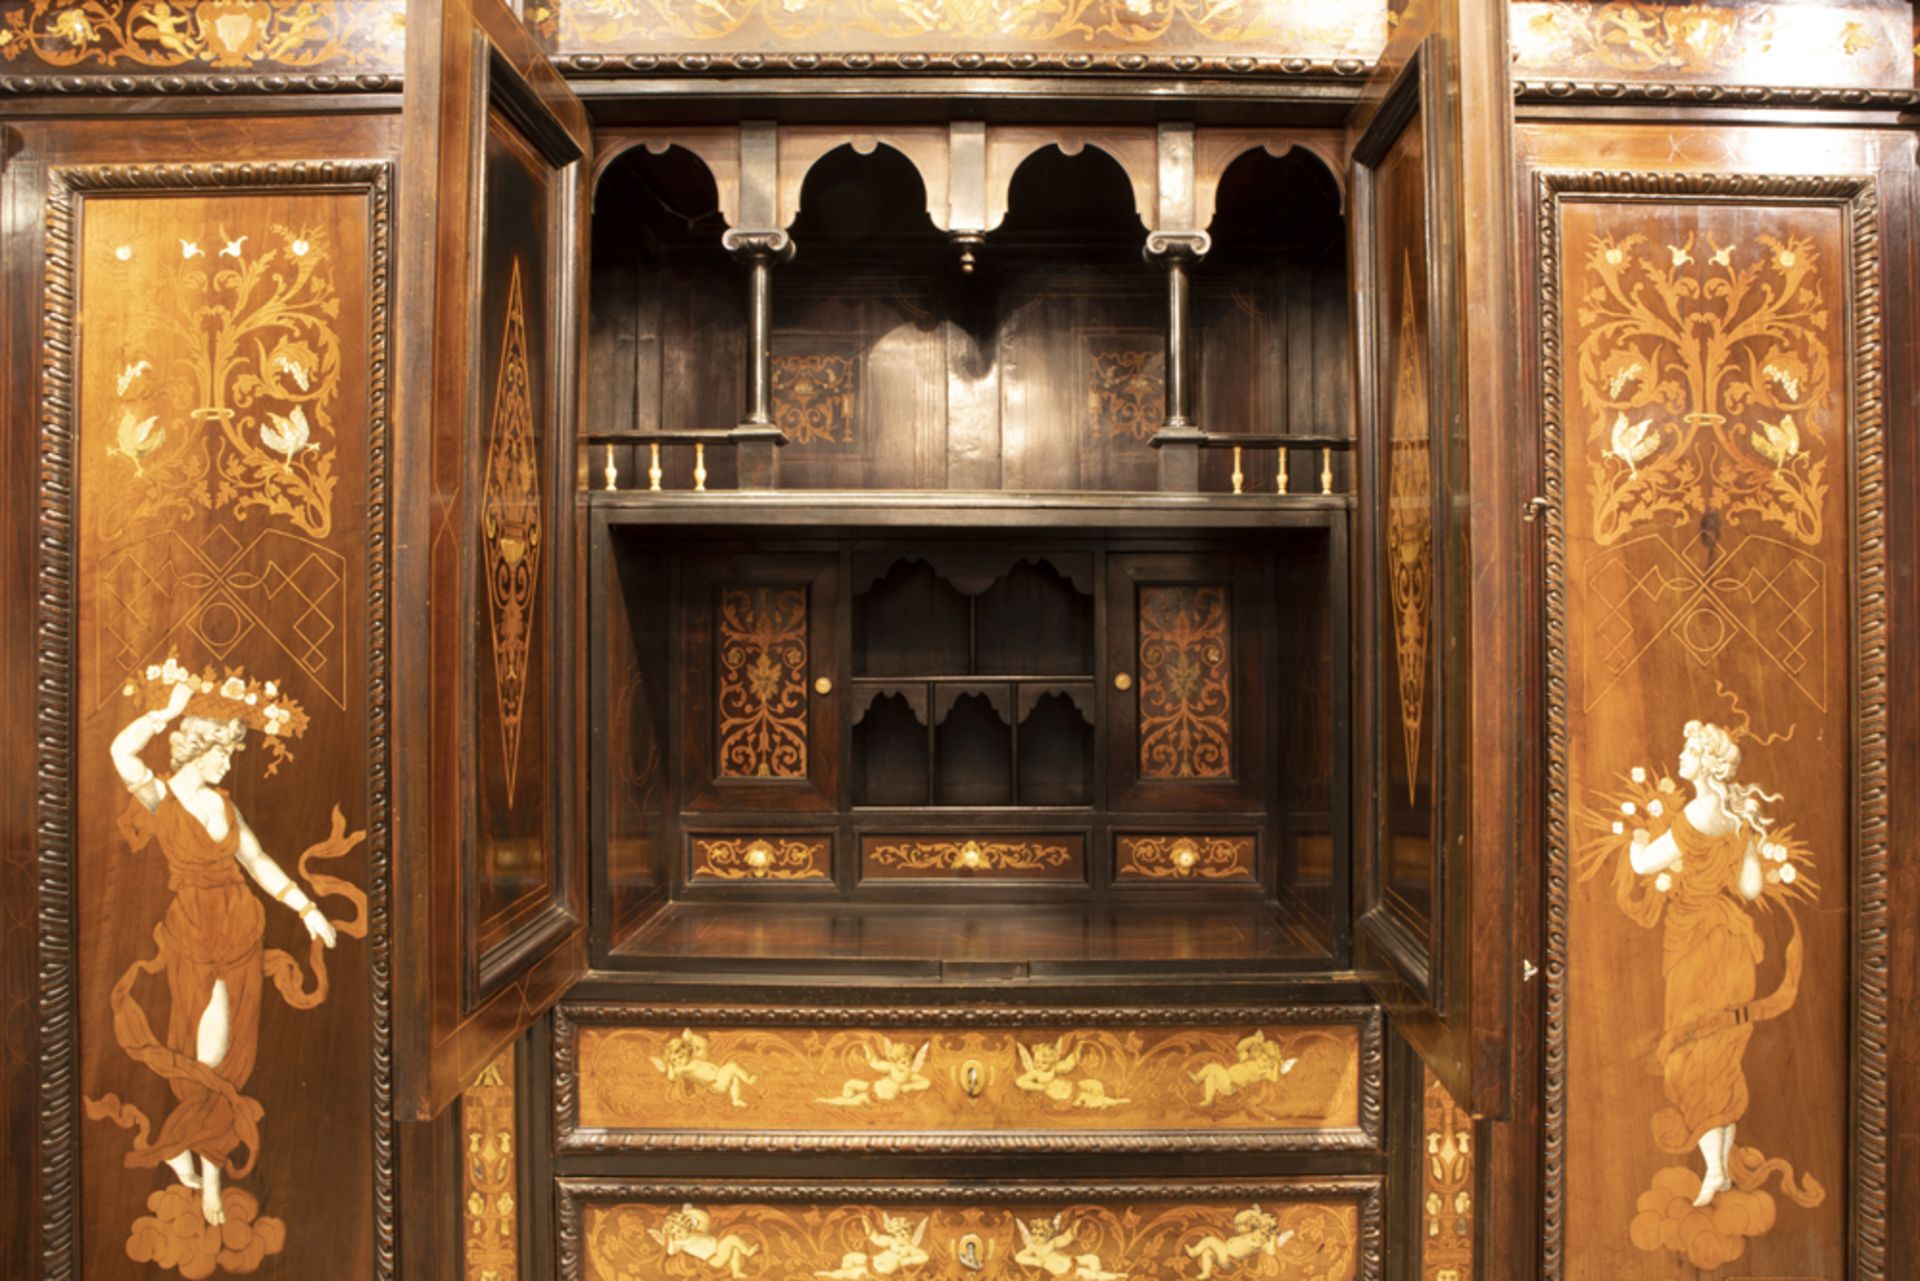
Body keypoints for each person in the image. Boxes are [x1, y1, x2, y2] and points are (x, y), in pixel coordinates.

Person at [105, 676, 336, 1226]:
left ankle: (191, 1153)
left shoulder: (225, 808)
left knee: (228, 1053)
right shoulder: (158, 795)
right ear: (201, 747)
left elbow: (257, 863)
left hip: (238, 931)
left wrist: (307, 910)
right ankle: (193, 1156)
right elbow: (120, 750)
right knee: (196, 1050)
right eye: (225, 754)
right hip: (192, 933)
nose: (229, 765)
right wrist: (166, 712)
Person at [1623, 720, 1787, 1208]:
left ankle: (1715, 1169)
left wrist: (1636, 839)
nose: (1680, 758)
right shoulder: (1739, 816)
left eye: (1688, 751)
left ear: (1706, 761)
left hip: (1697, 948)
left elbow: (1643, 866)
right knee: (1720, 1055)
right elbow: (1753, 889)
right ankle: (1719, 1172)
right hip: (1733, 944)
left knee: (1688, 1056)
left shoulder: (1696, 814)